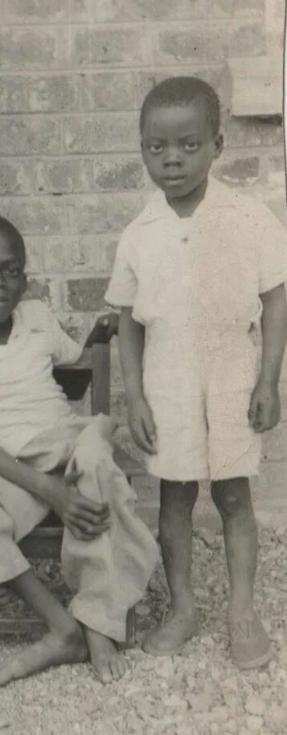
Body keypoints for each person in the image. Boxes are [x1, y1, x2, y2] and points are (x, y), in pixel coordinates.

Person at [0, 214, 158, 687]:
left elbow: (74, 377)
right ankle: (63, 628)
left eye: (10, 270)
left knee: (96, 458)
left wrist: (96, 338)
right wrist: (50, 491)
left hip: (64, 444)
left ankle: (97, 621)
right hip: (4, 465)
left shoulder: (37, 317)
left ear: (24, 280)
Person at [106, 76, 287, 669]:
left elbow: (276, 299)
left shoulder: (249, 218)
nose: (172, 160)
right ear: (142, 149)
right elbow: (129, 321)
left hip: (232, 367)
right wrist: (136, 397)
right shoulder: (139, 234)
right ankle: (182, 607)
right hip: (168, 374)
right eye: (156, 147)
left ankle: (242, 611)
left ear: (217, 146)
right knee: (176, 494)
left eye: (188, 145)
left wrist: (268, 380)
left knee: (234, 492)